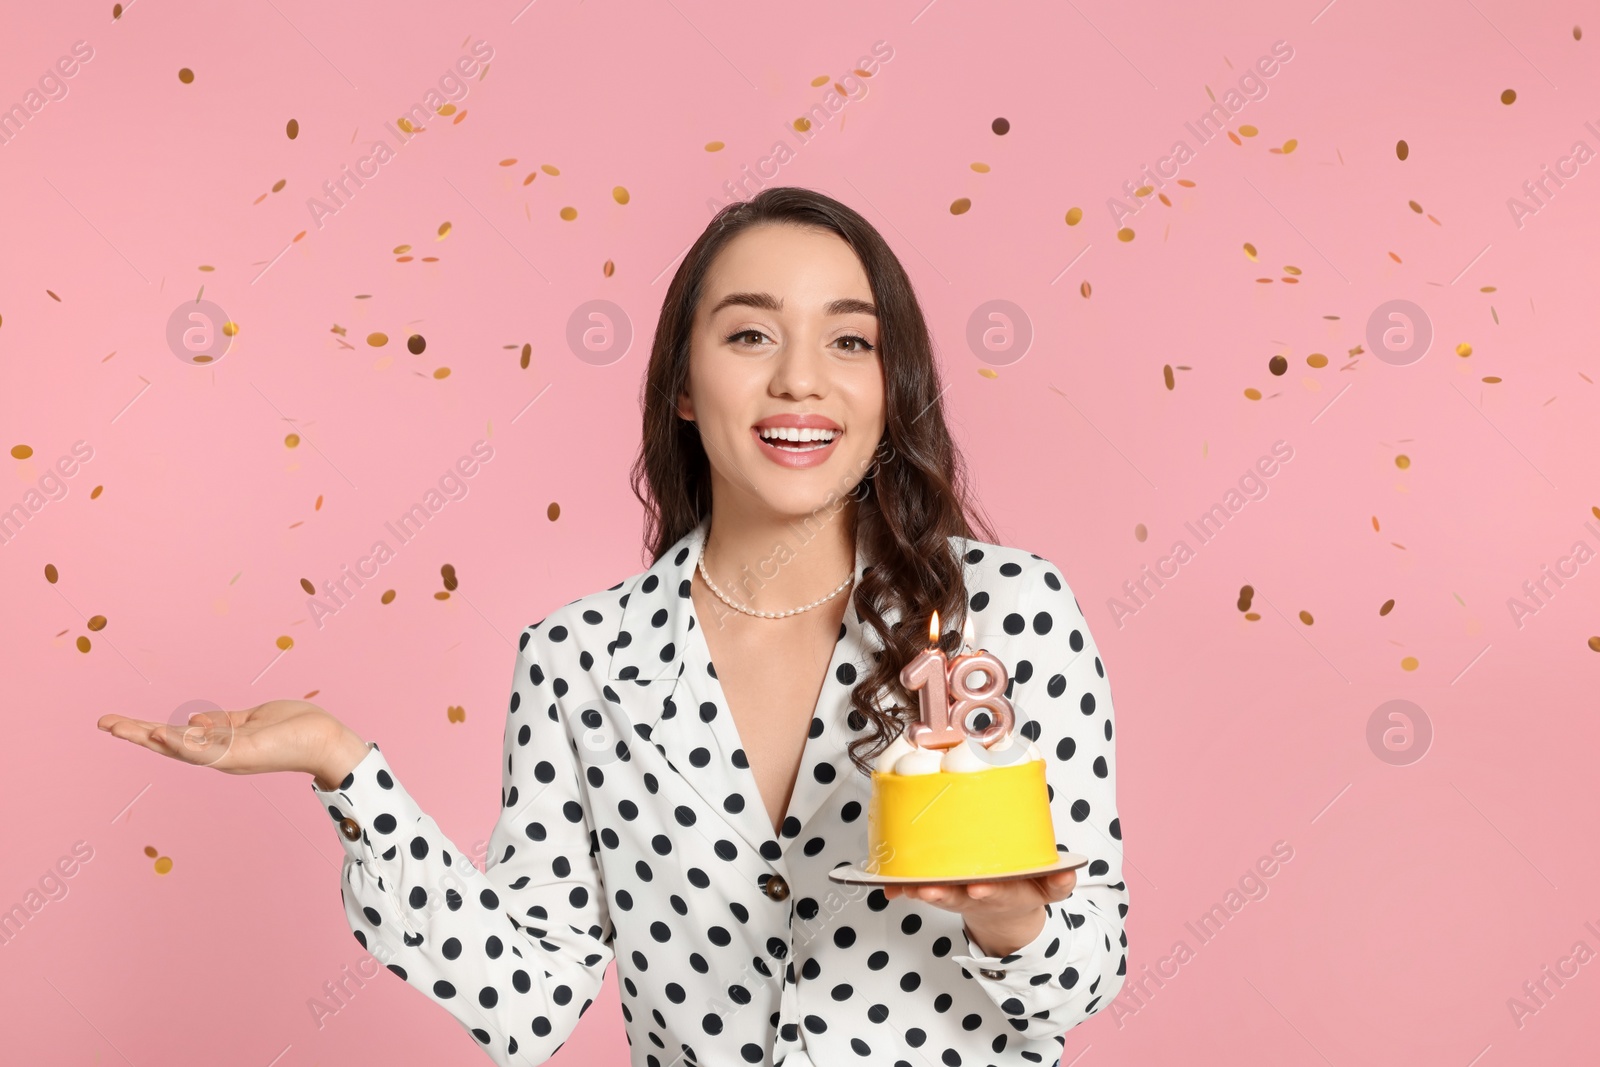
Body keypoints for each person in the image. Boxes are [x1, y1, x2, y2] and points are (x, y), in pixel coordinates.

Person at [98, 186, 1128, 1066]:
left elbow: (1080, 977)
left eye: (849, 340)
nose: (799, 379)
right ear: (684, 384)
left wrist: (1008, 914)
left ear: (886, 385)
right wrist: (343, 766)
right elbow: (528, 996)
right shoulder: (578, 660)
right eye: (750, 333)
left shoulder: (1011, 613)